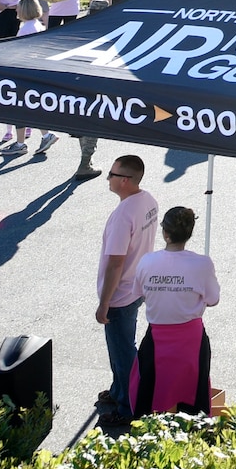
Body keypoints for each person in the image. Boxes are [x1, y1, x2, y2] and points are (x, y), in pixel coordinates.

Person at [130, 204, 221, 417]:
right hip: (191, 340)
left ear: (165, 233)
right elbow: (213, 299)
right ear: (189, 233)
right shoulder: (202, 263)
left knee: (149, 397)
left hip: (156, 338)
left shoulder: (147, 262)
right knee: (193, 399)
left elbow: (139, 293)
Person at [96, 154, 160, 422]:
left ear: (124, 181)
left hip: (120, 294)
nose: (107, 178)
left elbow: (115, 263)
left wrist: (104, 303)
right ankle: (119, 389)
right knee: (121, 349)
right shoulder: (148, 201)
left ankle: (128, 407)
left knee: (123, 353)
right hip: (136, 286)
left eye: (111, 174)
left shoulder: (123, 215)